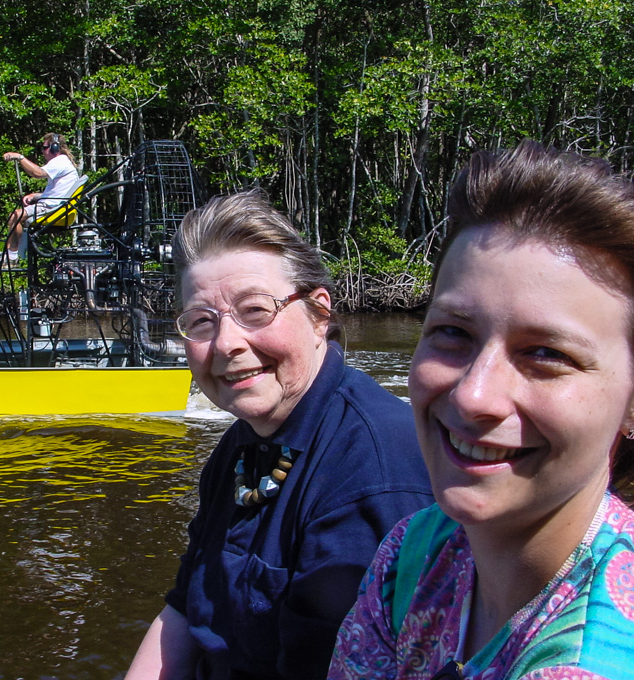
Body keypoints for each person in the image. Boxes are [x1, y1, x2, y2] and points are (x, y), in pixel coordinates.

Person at [329, 140, 634, 680]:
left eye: (546, 354)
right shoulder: (417, 552)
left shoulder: (592, 660)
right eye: (452, 333)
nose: (473, 395)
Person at [126, 191, 433, 680]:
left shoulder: (373, 472)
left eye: (255, 310)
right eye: (202, 322)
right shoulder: (242, 441)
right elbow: (184, 608)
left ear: (318, 315)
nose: (227, 344)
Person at [2, 132, 79, 263]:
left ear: (55, 148)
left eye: (44, 148)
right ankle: (17, 255)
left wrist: (19, 157)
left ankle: (11, 257)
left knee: (15, 216)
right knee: (21, 219)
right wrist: (35, 196)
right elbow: (58, 192)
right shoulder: (63, 162)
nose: (43, 152)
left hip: (52, 207)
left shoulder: (60, 161)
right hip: (54, 205)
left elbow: (38, 173)